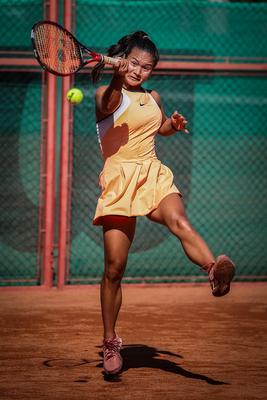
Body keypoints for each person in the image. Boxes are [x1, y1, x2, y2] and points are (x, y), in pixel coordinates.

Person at [91, 31, 235, 376]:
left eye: (147, 68)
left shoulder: (152, 96)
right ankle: (110, 341)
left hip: (154, 174)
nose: (139, 72)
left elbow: (157, 130)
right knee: (114, 268)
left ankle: (214, 271)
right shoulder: (104, 93)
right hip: (120, 180)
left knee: (180, 222)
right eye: (135, 64)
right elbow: (111, 104)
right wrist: (114, 76)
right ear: (122, 59)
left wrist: (171, 124)